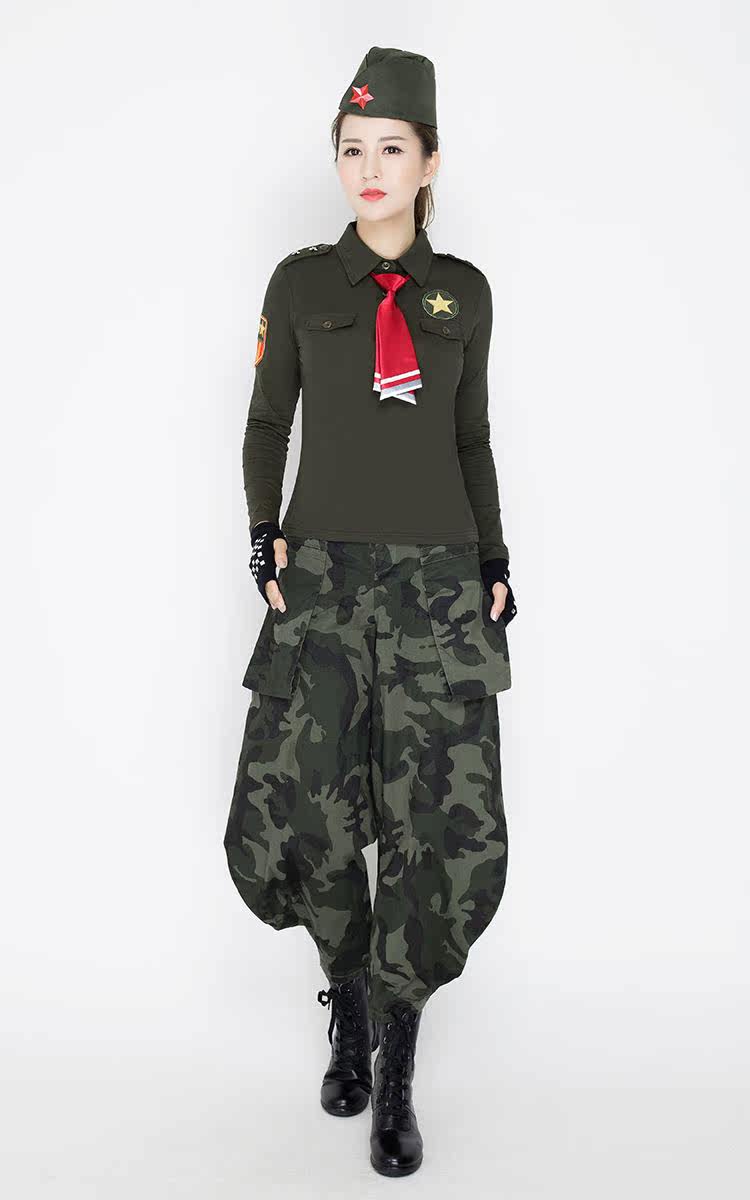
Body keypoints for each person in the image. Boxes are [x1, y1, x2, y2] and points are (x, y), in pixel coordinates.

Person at [223, 45, 517, 1178]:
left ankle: (397, 1063)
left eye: (392, 148)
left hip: (439, 587)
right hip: (325, 583)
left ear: (429, 160)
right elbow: (267, 423)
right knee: (310, 809)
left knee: (435, 825)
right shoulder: (302, 285)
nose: (370, 168)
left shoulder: (464, 295)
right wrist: (264, 537)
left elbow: (470, 437)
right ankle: (345, 997)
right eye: (352, 149)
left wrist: (494, 558)